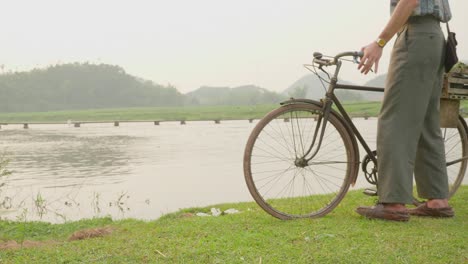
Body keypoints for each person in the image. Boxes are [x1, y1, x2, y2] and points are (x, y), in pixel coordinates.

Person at [355, 0, 455, 221]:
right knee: (427, 122)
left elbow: (410, 1)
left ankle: (393, 202)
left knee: (395, 120)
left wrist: (379, 43)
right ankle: (437, 201)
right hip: (433, 36)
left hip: (416, 35)